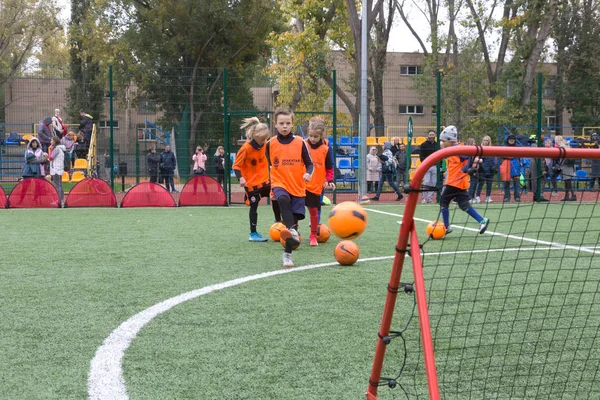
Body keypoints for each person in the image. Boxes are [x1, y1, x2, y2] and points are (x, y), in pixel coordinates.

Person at [265, 108, 314, 268]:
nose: (284, 126)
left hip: (298, 187)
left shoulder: (300, 142)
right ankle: (292, 230)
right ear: (275, 124)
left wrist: (308, 173)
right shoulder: (270, 144)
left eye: (287, 123)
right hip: (279, 183)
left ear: (292, 124)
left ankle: (287, 256)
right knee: (283, 200)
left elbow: (310, 164)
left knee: (293, 222)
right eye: (281, 123)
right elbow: (270, 164)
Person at [438, 125, 489, 234]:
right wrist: (467, 168)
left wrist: (467, 168)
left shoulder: (457, 149)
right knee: (464, 205)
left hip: (455, 182)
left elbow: (469, 155)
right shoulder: (453, 148)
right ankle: (482, 220)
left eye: (443, 141)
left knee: (443, 201)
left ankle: (446, 227)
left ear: (450, 140)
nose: (442, 143)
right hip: (459, 182)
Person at [233, 117, 276, 243]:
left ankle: (278, 221)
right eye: (262, 139)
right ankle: (253, 233)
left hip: (265, 181)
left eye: (265, 138)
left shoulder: (264, 143)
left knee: (277, 195)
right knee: (254, 207)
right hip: (252, 185)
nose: (264, 141)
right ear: (255, 136)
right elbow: (236, 166)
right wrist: (240, 178)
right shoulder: (245, 148)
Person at [304, 116, 335, 246]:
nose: (312, 139)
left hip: (317, 185)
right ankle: (293, 231)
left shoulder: (326, 149)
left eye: (315, 136)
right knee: (296, 209)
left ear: (321, 136)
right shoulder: (303, 145)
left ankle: (314, 233)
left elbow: (329, 166)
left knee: (315, 210)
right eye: (311, 135)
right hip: (301, 184)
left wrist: (330, 180)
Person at [500, 135, 522, 202]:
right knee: (506, 182)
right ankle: (507, 197)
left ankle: (517, 197)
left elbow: (520, 155)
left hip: (515, 165)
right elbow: (501, 155)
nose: (511, 141)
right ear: (507, 140)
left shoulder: (518, 147)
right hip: (506, 165)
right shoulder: (504, 147)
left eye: (513, 139)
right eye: (510, 139)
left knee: (516, 182)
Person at [420, 129, 438, 203]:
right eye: (430, 135)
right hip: (427, 166)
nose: (431, 136)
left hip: (434, 166)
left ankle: (430, 198)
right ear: (428, 135)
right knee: (426, 182)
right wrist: (424, 163)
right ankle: (424, 198)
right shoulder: (423, 145)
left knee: (433, 182)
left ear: (435, 136)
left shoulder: (437, 145)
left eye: (433, 135)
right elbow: (421, 156)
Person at [476, 136, 496, 203]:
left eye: (487, 140)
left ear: (489, 141)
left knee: (489, 184)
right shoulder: (480, 149)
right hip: (482, 169)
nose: (485, 141)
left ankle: (488, 197)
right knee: (481, 183)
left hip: (490, 170)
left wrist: (494, 167)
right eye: (484, 140)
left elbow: (493, 159)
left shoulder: (492, 149)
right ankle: (477, 196)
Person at [556, 136, 576, 201]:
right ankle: (568, 195)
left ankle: (572, 195)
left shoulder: (561, 146)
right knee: (568, 181)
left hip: (565, 165)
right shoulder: (566, 144)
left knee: (567, 181)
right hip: (569, 165)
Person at [48, 136, 67, 205]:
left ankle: (58, 200)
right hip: (59, 168)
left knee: (57, 185)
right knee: (60, 185)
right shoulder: (61, 149)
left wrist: (50, 150)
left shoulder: (56, 149)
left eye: (51, 140)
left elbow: (51, 157)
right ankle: (61, 200)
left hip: (56, 169)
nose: (50, 142)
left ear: (54, 141)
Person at [465, 138, 482, 202]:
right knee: (472, 183)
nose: (475, 143)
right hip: (470, 170)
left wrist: (478, 160)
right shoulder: (468, 151)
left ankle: (472, 196)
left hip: (475, 169)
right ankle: (470, 197)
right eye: (473, 142)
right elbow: (470, 161)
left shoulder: (475, 151)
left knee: (475, 183)